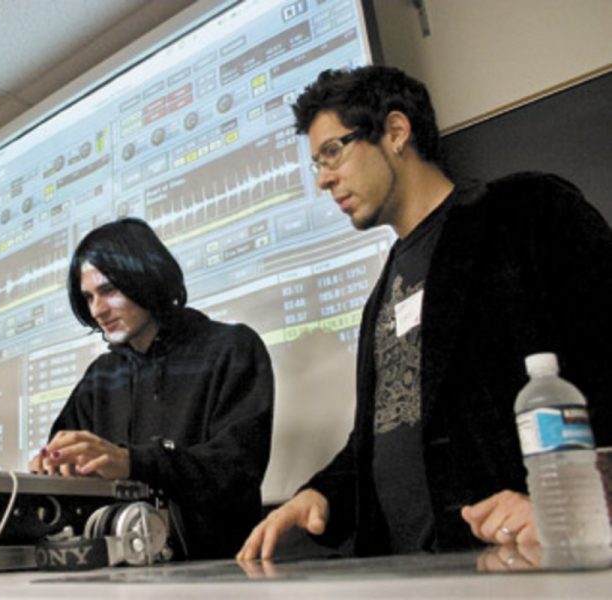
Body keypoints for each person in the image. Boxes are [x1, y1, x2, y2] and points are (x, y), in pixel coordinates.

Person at [238, 65, 612, 560]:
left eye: (333, 152)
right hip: (412, 571)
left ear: (396, 131)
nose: (324, 179)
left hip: (529, 561)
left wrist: (578, 504)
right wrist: (318, 493)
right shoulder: (381, 295)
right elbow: (378, 436)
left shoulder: (525, 213)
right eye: (316, 164)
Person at [29, 217, 274, 559]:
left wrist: (132, 462)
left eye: (109, 290)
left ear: (146, 276)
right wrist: (54, 466)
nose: (97, 310)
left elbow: (236, 470)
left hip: (217, 576)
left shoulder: (231, 348)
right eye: (88, 297)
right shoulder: (100, 377)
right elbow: (63, 470)